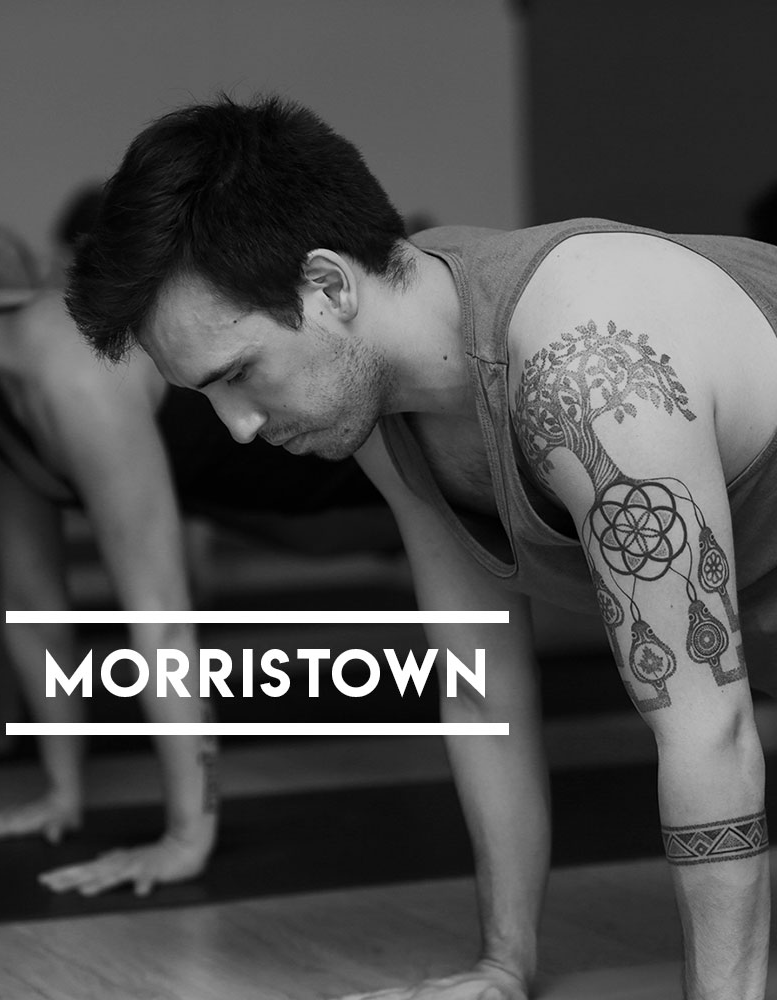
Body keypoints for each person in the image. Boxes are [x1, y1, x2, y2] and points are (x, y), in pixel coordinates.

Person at [65, 94, 777, 999]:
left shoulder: (588, 370)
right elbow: (483, 691)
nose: (236, 427)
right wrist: (503, 965)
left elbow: (706, 726)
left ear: (328, 287)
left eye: (239, 375)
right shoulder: (384, 405)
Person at [0, 218, 385, 898]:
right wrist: (61, 794)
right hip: (266, 501)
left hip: (339, 481)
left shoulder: (66, 370)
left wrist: (185, 836)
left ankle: (195, 827)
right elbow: (33, 605)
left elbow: (162, 619)